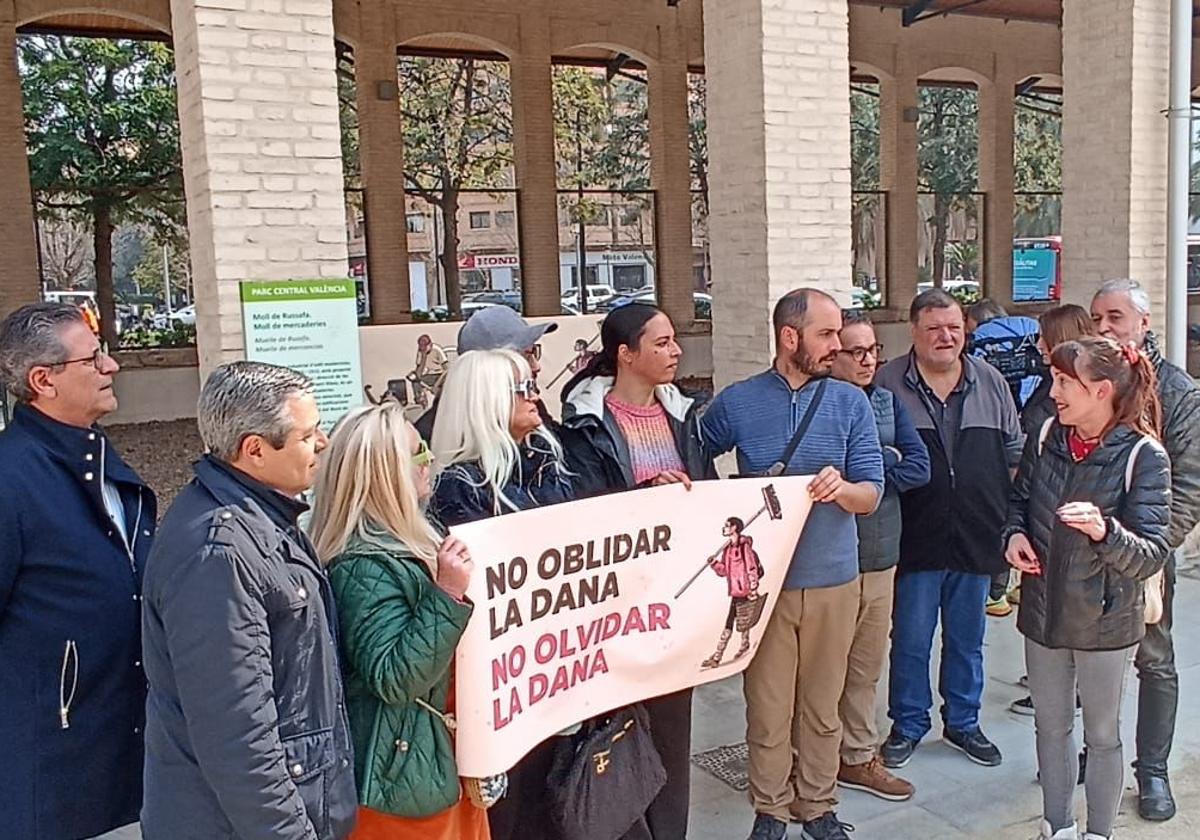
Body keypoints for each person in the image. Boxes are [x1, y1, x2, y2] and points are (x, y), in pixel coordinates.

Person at [141, 361, 356, 840]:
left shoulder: (262, 520)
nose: (322, 443)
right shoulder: (219, 552)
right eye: (307, 434)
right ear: (254, 450)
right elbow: (239, 737)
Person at [701, 288, 884, 840]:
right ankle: (771, 809)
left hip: (835, 578)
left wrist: (844, 488)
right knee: (768, 704)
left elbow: (872, 492)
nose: (839, 345)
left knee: (823, 704)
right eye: (826, 334)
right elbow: (697, 452)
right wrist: (726, 502)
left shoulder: (852, 403)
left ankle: (818, 805)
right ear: (790, 337)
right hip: (764, 583)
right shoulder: (739, 401)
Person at [0, 302, 157, 840]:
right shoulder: (12, 480)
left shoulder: (100, 462)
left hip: (130, 761)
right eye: (92, 359)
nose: (111, 367)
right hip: (54, 783)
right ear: (42, 380)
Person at [1004, 336, 1171, 840]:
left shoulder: (1143, 456)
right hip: (1043, 610)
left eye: (1062, 382)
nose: (1052, 391)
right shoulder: (1047, 434)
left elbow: (1151, 553)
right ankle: (1056, 827)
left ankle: (1099, 833)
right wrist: (1012, 536)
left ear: (1100, 391)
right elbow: (1020, 499)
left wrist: (1104, 531)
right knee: (1050, 730)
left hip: (1105, 618)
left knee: (1101, 737)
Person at [560, 301, 714, 839]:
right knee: (618, 733)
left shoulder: (685, 415)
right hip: (615, 607)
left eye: (674, 341)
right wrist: (644, 497)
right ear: (625, 355)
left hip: (677, 602)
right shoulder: (583, 426)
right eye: (661, 343)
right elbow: (583, 509)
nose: (675, 351)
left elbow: (709, 495)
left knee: (673, 733)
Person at [309, 403, 487, 840]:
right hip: (404, 781)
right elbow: (395, 678)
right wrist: (445, 594)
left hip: (435, 762)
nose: (429, 460)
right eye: (417, 451)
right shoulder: (359, 565)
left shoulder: (404, 541)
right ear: (386, 474)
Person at [875, 289, 1023, 771]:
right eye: (935, 327)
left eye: (955, 327)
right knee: (912, 640)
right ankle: (908, 724)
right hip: (912, 536)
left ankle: (963, 721)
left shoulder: (992, 381)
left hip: (976, 534)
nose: (946, 336)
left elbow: (1015, 452)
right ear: (914, 332)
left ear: (966, 331)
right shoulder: (887, 385)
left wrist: (1012, 520)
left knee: (967, 638)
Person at [428, 348, 573, 840]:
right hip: (501, 678)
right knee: (509, 807)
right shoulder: (460, 486)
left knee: (551, 793)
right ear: (488, 399)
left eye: (534, 382)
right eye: (523, 387)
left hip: (553, 665)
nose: (536, 394)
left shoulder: (547, 464)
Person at [1089, 278, 1200, 821]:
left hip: (1146, 560)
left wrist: (1149, 551)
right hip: (1086, 552)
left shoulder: (1177, 392)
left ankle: (1151, 771)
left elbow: (1191, 485)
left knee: (1154, 662)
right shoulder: (1085, 377)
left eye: (1116, 317)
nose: (1105, 328)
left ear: (1144, 323)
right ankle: (1094, 753)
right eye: (1098, 319)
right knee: (1089, 660)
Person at [829, 310, 930, 803]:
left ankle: (857, 755)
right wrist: (873, 470)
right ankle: (811, 760)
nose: (869, 360)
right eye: (857, 351)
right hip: (827, 560)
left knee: (866, 667)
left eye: (873, 350)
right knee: (821, 670)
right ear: (832, 356)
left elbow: (920, 466)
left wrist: (868, 478)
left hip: (880, 553)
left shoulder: (888, 403)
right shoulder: (819, 403)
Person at [1008, 303, 1096, 714]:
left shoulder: (1075, 408)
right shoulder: (1047, 389)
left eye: (1045, 337)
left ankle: (1072, 688)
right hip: (1042, 529)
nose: (1038, 345)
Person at [967, 299, 1046, 616]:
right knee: (1034, 507)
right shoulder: (1032, 328)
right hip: (1039, 423)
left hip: (1000, 433)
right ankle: (1022, 582)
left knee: (1003, 511)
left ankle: (994, 594)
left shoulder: (981, 339)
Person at [414, 306, 557, 440]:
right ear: (486, 368)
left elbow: (566, 455)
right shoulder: (434, 435)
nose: (536, 366)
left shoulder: (529, 407)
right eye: (525, 356)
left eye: (534, 353)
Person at [966, 299, 1044, 410]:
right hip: (1037, 398)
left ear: (976, 320)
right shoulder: (1031, 325)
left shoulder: (978, 336)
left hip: (995, 404)